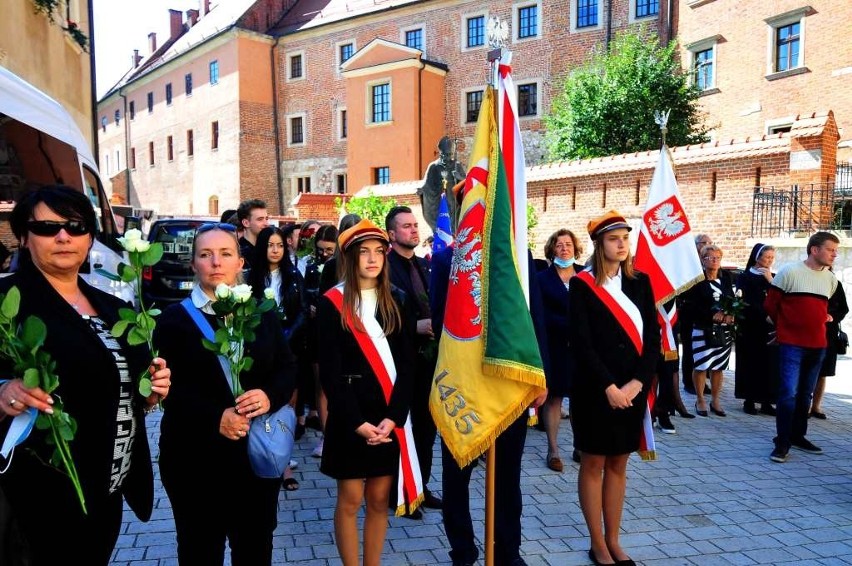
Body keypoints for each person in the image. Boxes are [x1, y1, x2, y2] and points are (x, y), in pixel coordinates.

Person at [0, 185, 171, 564]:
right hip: (38, 496)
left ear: (90, 237)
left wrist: (150, 391)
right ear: (25, 238)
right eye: (46, 227)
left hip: (106, 491)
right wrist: (3, 392)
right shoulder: (6, 301)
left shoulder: (113, 307)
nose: (63, 236)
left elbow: (122, 384)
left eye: (75, 226)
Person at [154, 223, 295, 564]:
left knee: (255, 549)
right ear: (194, 265)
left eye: (225, 253)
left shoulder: (261, 311)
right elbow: (168, 392)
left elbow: (287, 368)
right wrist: (214, 417)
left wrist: (269, 396)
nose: (216, 262)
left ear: (240, 263)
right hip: (194, 459)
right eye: (205, 255)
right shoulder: (173, 320)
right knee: (200, 550)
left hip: (255, 456)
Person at [432, 243, 549, 566]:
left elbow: (534, 316)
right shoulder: (446, 259)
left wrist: (542, 375)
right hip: (463, 384)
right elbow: (442, 317)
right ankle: (463, 550)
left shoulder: (516, 252)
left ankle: (507, 549)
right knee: (457, 478)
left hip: (508, 385)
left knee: (508, 477)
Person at [317, 219, 421, 566]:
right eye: (364, 252)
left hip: (388, 415)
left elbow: (408, 365)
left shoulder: (399, 300)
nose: (373, 259)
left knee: (378, 498)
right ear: (350, 257)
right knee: (350, 498)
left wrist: (394, 418)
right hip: (351, 416)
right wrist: (357, 422)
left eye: (379, 251)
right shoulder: (332, 304)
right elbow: (329, 373)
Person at [568, 210, 659, 566]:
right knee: (594, 462)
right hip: (596, 390)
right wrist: (608, 385)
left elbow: (653, 338)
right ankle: (597, 543)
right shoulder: (582, 284)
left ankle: (614, 538)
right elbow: (581, 341)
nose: (621, 244)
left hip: (632, 390)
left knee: (619, 463)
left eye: (625, 238)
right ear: (598, 244)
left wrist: (637, 382)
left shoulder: (642, 282)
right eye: (613, 239)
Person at [385, 205, 442, 516]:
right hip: (399, 361)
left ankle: (421, 488)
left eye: (414, 225)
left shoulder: (425, 266)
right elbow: (381, 318)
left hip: (429, 363)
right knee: (402, 428)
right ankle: (401, 492)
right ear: (392, 234)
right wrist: (414, 327)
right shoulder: (385, 269)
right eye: (406, 226)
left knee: (426, 428)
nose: (413, 230)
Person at [765, 231, 839, 463]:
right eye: (830, 250)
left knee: (805, 394)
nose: (834, 255)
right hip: (792, 344)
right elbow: (770, 305)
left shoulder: (830, 279)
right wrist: (784, 329)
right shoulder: (789, 272)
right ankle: (782, 442)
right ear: (814, 250)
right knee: (788, 393)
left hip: (818, 345)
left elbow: (826, 309)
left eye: (836, 251)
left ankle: (798, 436)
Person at [248, 226, 306, 491]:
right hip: (260, 352)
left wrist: (285, 335)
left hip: (289, 349)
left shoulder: (293, 276)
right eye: (270, 245)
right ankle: (264, 456)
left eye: (280, 245)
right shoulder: (250, 279)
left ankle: (282, 459)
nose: (275, 250)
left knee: (287, 405)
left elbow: (303, 311)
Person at [536, 228, 584, 472]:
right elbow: (539, 315)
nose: (564, 248)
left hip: (581, 349)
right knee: (554, 397)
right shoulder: (542, 279)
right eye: (559, 245)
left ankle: (579, 445)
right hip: (554, 347)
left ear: (575, 249)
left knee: (580, 398)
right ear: (552, 249)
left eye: (568, 244)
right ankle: (553, 449)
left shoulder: (586, 276)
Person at [685, 244, 736, 417]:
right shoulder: (696, 280)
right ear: (702, 260)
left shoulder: (727, 277)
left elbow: (733, 299)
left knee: (718, 366)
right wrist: (712, 315)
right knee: (701, 365)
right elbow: (691, 306)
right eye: (710, 258)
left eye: (717, 258)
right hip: (702, 327)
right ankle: (700, 399)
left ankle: (715, 400)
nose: (714, 261)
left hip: (723, 329)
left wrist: (730, 313)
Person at [303, 224, 339, 458]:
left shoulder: (341, 265)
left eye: (329, 249)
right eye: (321, 249)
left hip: (338, 329)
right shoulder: (310, 265)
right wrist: (310, 307)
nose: (324, 253)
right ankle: (328, 437)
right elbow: (305, 294)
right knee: (322, 385)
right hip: (317, 330)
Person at [735, 243, 779, 416]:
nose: (769, 261)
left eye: (771, 258)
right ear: (756, 257)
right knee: (751, 362)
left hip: (769, 327)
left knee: (769, 365)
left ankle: (767, 401)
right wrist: (763, 315)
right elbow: (745, 301)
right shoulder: (744, 277)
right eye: (766, 257)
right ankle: (750, 399)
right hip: (751, 326)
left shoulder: (773, 277)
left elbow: (779, 297)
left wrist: (770, 281)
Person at [679, 233, 713, 394]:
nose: (706, 244)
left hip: (706, 315)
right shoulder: (688, 264)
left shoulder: (710, 264)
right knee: (689, 349)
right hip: (689, 313)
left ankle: (701, 383)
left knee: (703, 350)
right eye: (702, 242)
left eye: (709, 242)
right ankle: (689, 382)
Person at [810, 283, 849, 419]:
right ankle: (805, 405)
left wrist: (831, 317)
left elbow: (844, 308)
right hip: (809, 331)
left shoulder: (835, 284)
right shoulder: (808, 279)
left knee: (823, 372)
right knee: (807, 369)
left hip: (829, 334)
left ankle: (816, 406)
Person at [236, 199, 269, 267]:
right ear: (246, 223)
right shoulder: (239, 253)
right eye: (260, 219)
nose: (266, 224)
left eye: (266, 219)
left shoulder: (267, 249)